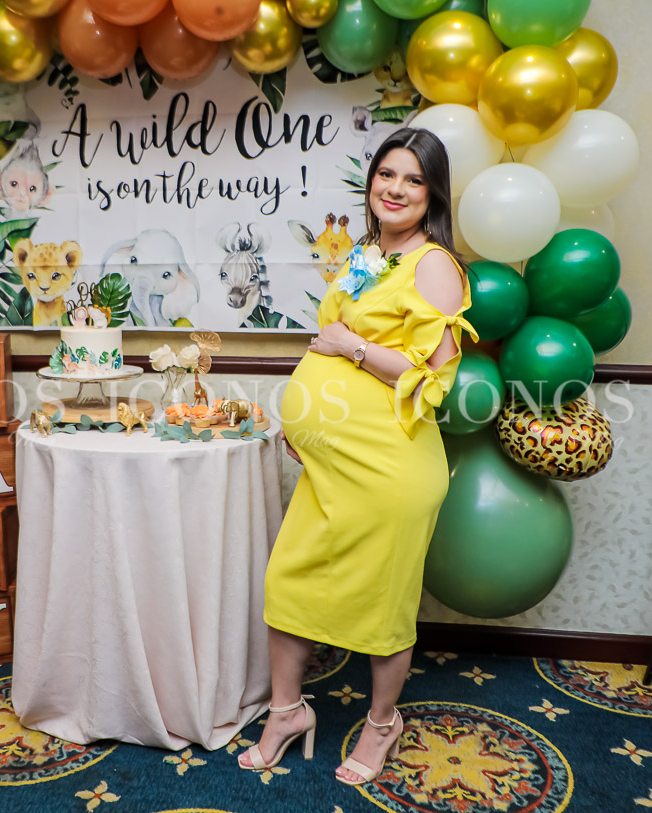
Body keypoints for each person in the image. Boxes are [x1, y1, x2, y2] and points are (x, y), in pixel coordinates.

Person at [238, 127, 477, 784]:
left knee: (381, 602)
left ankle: (381, 725)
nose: (395, 189)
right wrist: (310, 427)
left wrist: (350, 349)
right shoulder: (368, 254)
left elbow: (433, 376)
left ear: (433, 194)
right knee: (290, 581)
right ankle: (286, 712)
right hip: (333, 464)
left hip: (390, 467)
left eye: (413, 179)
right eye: (386, 174)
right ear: (371, 182)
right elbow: (328, 337)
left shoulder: (434, 264)